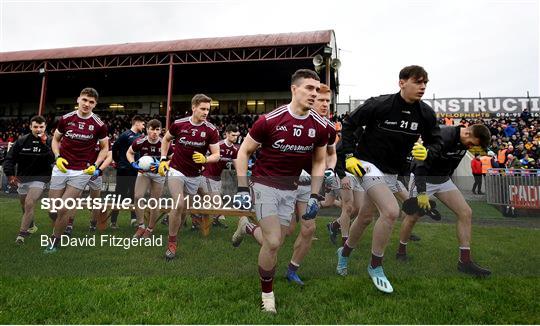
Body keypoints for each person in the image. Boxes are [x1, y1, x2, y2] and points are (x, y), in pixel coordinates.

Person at [337, 65, 443, 293]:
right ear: (402, 82)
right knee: (391, 210)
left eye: (425, 82)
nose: (422, 86)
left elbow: (436, 142)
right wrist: (348, 156)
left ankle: (344, 253)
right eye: (417, 81)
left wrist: (428, 152)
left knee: (365, 217)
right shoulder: (380, 104)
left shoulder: (425, 113)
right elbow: (348, 124)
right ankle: (375, 265)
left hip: (392, 171)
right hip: (366, 164)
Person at [230, 69, 328, 313]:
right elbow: (243, 152)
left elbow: (318, 161)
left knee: (275, 241)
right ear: (294, 89)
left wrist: (315, 194)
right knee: (273, 241)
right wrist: (243, 187)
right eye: (309, 88)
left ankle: (248, 227)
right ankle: (267, 296)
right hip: (264, 184)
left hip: (291, 189)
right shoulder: (270, 120)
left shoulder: (320, 126)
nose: (314, 94)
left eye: (317, 89)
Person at [396, 124, 492, 276]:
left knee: (465, 212)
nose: (472, 147)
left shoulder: (466, 140)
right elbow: (421, 163)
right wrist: (421, 192)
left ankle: (464, 262)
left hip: (443, 180)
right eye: (472, 144)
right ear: (467, 133)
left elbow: (452, 163)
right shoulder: (441, 136)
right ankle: (401, 251)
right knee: (413, 217)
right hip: (424, 178)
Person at [284, 83, 338, 286]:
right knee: (286, 231)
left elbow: (332, 155)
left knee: (308, 228)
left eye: (328, 101)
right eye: (321, 100)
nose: (325, 105)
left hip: (308, 186)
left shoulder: (329, 128)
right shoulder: (288, 120)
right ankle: (248, 228)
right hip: (286, 183)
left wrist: (330, 170)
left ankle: (292, 270)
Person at [45, 87, 109, 253]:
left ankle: (54, 241)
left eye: (91, 102)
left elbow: (104, 148)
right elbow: (55, 140)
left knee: (64, 208)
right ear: (78, 100)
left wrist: (95, 165)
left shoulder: (99, 125)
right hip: (61, 168)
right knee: (53, 209)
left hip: (81, 171)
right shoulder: (65, 119)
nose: (87, 104)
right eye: (85, 100)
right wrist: (57, 157)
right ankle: (58, 221)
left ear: (95, 104)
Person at [157, 94, 220, 261]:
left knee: (183, 211)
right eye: (203, 109)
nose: (206, 112)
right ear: (194, 107)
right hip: (176, 170)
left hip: (195, 175)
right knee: (178, 204)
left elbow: (217, 155)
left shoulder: (211, 130)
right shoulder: (179, 124)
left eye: (208, 109)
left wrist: (206, 159)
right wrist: (164, 160)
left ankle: (174, 230)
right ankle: (171, 243)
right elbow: (165, 140)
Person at [3, 115, 54, 244]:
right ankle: (31, 226)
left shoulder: (50, 141)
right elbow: (9, 159)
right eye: (35, 127)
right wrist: (10, 175)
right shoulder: (21, 141)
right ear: (30, 127)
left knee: (30, 202)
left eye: (41, 127)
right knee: (24, 204)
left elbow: (53, 160)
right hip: (23, 178)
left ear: (45, 127)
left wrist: (45, 144)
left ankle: (21, 235)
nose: (38, 129)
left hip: (41, 178)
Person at [128, 119, 171, 238]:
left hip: (159, 174)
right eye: (152, 129)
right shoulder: (140, 141)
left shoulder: (165, 143)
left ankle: (150, 228)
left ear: (161, 131)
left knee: (154, 201)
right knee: (137, 196)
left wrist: (164, 164)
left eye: (157, 129)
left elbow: (173, 158)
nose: (154, 132)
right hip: (144, 172)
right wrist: (133, 163)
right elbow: (129, 152)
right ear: (147, 130)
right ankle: (141, 226)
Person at [201, 124, 241, 229]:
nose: (235, 137)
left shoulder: (234, 150)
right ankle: (203, 222)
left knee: (212, 203)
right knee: (216, 202)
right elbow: (203, 155)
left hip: (218, 179)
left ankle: (210, 221)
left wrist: (242, 175)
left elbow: (238, 166)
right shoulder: (218, 145)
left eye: (237, 135)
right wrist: (201, 166)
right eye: (233, 135)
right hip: (207, 176)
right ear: (227, 134)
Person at [110, 115, 145, 228]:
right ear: (137, 123)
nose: (144, 126)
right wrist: (118, 161)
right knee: (120, 194)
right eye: (143, 124)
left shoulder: (141, 136)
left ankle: (133, 219)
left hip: (136, 169)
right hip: (124, 169)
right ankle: (113, 221)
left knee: (134, 194)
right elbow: (115, 148)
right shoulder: (125, 135)